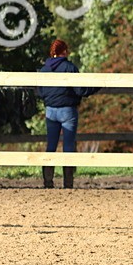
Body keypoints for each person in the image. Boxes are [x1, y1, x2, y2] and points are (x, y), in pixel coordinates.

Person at [37, 39, 98, 189]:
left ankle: (48, 181)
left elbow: (39, 91)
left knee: (51, 145)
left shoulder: (44, 70)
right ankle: (68, 183)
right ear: (64, 51)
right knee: (69, 146)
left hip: (50, 110)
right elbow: (80, 90)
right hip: (68, 111)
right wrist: (97, 86)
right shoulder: (69, 67)